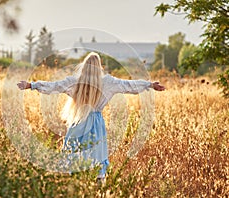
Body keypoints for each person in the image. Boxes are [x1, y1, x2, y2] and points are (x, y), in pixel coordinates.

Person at [17, 52, 165, 182]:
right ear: (99, 67)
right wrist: (150, 84)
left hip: (78, 123)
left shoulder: (74, 82)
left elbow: (53, 86)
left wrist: (31, 85)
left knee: (73, 160)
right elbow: (129, 85)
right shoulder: (107, 82)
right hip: (96, 125)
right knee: (97, 160)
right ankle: (99, 191)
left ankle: (74, 188)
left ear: (84, 66)